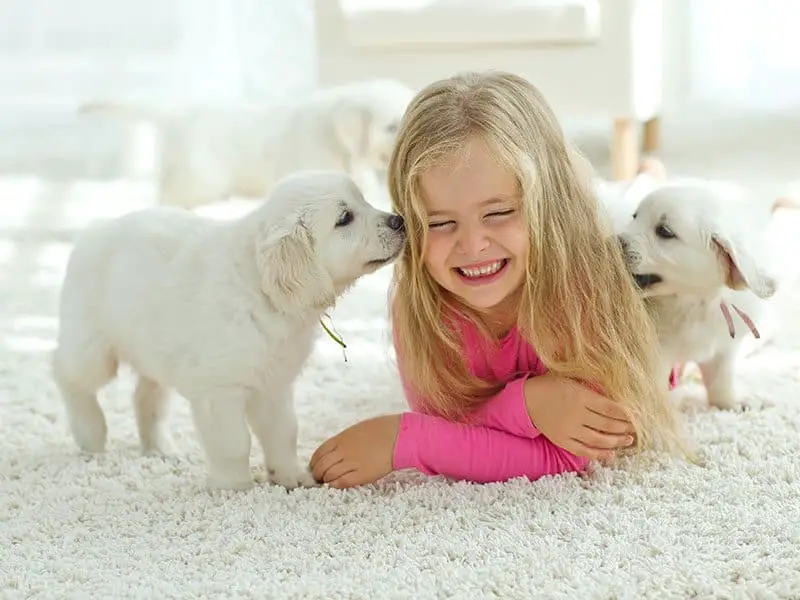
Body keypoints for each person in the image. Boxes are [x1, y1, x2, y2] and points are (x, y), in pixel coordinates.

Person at [309, 71, 690, 489]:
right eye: (440, 222)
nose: (472, 246)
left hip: (648, 270)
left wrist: (407, 440)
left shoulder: (587, 287)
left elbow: (570, 452)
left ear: (551, 207)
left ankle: (652, 182)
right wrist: (528, 404)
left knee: (657, 215)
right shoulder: (422, 303)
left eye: (498, 213)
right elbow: (449, 420)